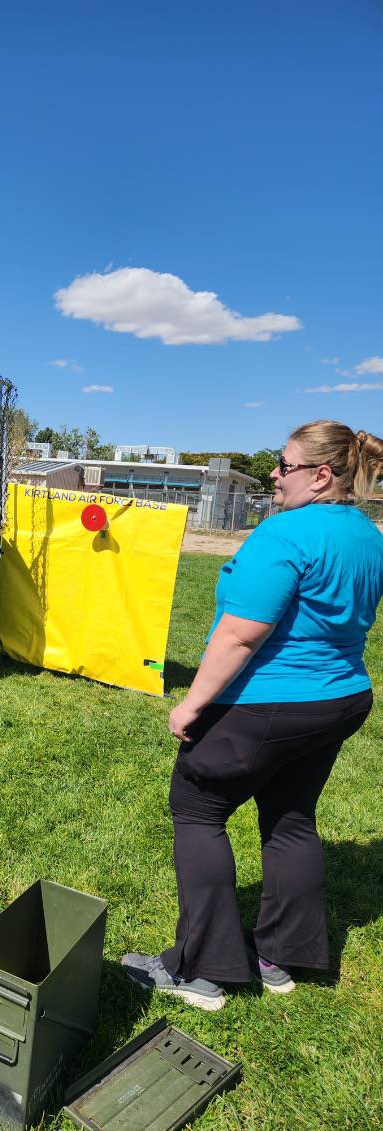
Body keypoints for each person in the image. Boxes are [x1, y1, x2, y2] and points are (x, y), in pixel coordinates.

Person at [123, 420, 383, 1011]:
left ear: (321, 476)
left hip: (272, 700)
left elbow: (241, 636)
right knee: (291, 816)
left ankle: (202, 968)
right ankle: (280, 958)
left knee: (197, 805)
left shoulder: (283, 534)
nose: (273, 473)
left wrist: (192, 704)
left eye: (284, 464)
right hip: (338, 699)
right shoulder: (368, 535)